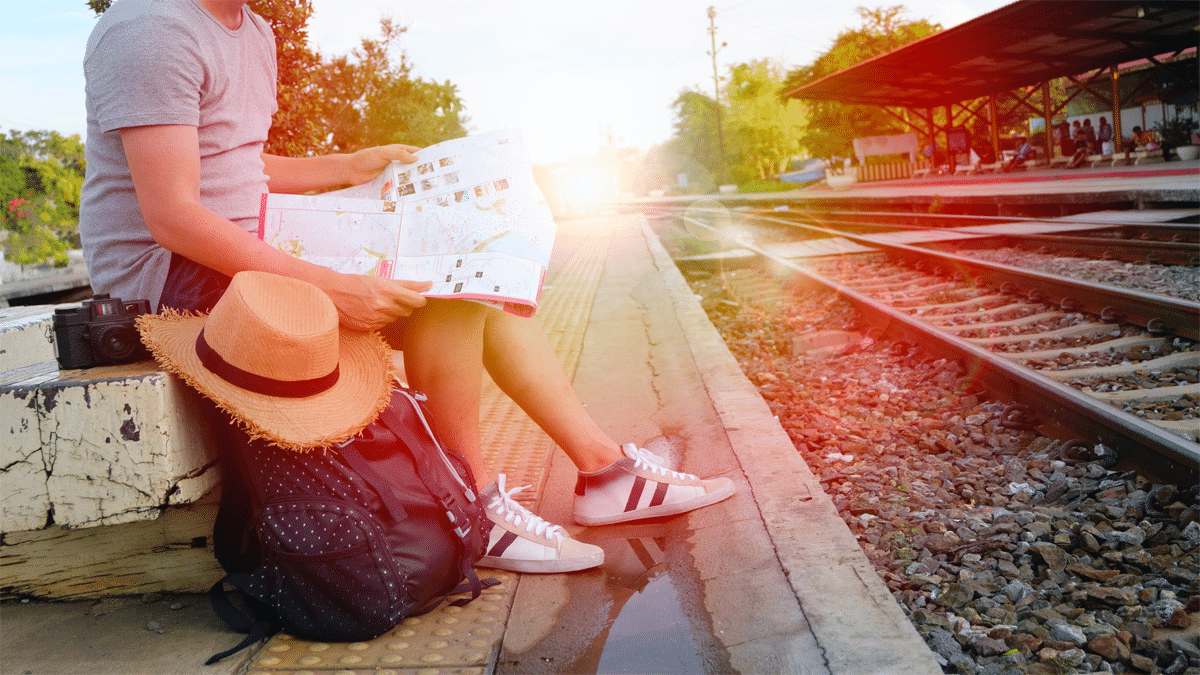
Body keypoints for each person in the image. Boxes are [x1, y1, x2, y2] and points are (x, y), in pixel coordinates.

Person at [81, 0, 734, 575]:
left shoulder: (251, 29)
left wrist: (347, 169)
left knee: (478, 274)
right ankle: (469, 505)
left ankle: (601, 470)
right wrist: (333, 287)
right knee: (444, 295)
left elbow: (235, 164)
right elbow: (173, 215)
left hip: (251, 239)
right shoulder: (150, 29)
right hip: (169, 277)